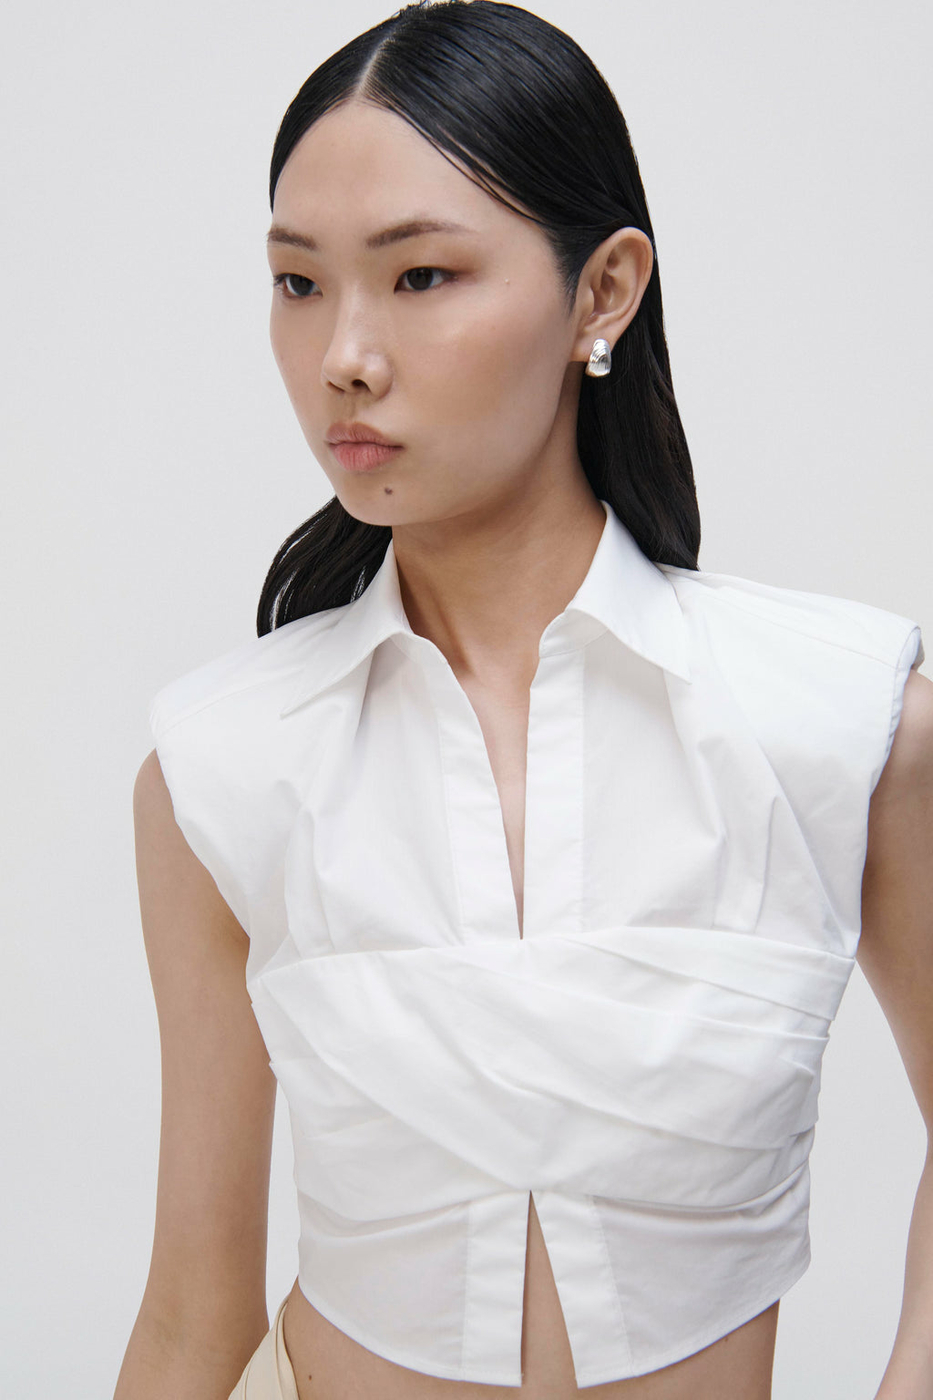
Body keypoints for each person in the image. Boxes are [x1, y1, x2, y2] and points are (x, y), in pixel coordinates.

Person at [113, 3, 933, 1398]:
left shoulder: (843, 725)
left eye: (420, 275)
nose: (343, 356)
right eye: (298, 282)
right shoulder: (222, 766)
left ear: (602, 294)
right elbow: (196, 1311)